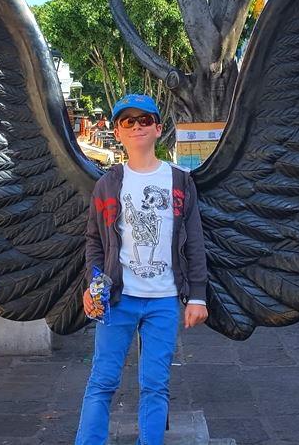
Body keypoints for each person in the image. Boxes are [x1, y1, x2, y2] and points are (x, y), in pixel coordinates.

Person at [75, 93, 209, 445]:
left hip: (164, 299)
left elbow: (194, 240)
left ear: (158, 128)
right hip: (118, 298)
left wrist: (197, 296)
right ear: (118, 131)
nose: (137, 127)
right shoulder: (108, 184)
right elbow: (94, 241)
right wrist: (92, 285)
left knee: (155, 385)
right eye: (128, 121)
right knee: (102, 381)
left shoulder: (179, 181)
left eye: (145, 120)